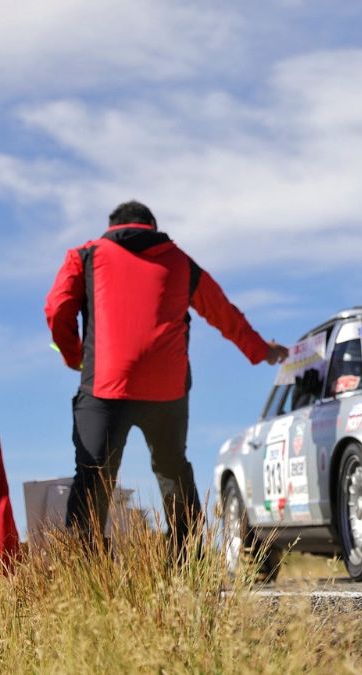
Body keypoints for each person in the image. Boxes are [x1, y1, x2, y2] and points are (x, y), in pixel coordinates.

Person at [45, 201, 288, 558]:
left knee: (94, 473)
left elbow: (57, 308)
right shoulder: (179, 260)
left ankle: (84, 567)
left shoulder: (84, 256)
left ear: (112, 226)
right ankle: (186, 560)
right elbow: (222, 311)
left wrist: (73, 356)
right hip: (167, 388)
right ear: (153, 227)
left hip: (104, 385)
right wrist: (260, 350)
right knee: (173, 468)